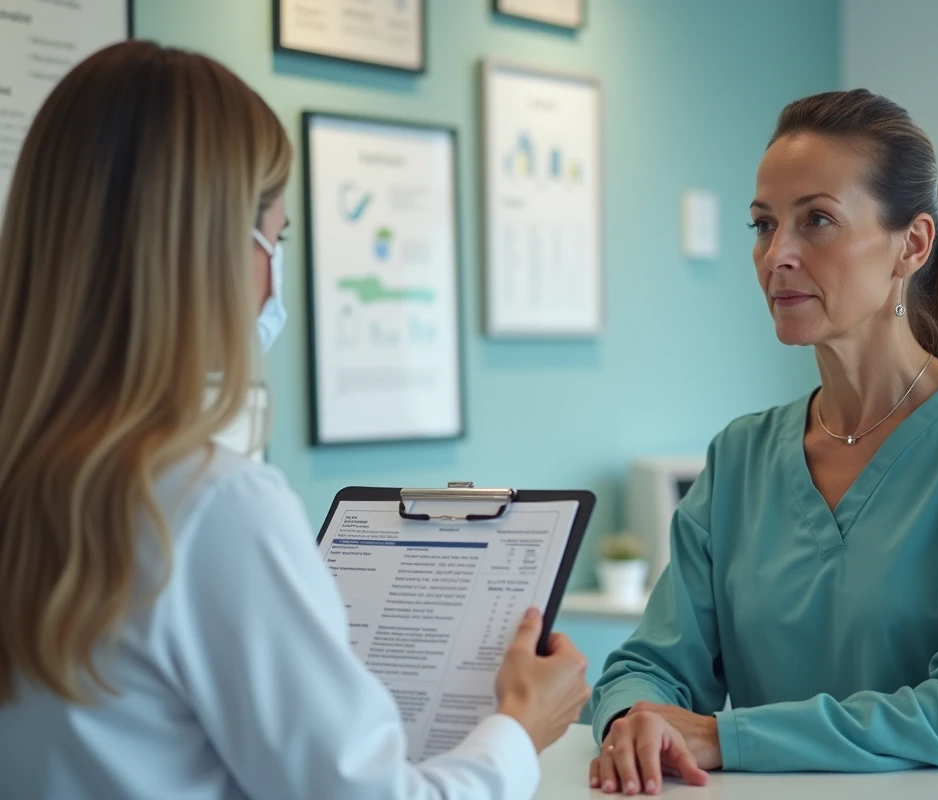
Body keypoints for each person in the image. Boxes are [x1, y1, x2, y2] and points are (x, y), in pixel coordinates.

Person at [0, 41, 589, 800]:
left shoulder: (26, 476)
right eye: (275, 240)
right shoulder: (209, 502)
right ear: (211, 250)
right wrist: (519, 726)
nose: (275, 279)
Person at [586, 89, 938, 795]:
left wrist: (728, 737)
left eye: (817, 220)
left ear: (912, 245)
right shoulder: (740, 458)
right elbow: (652, 664)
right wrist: (635, 719)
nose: (776, 255)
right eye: (763, 225)